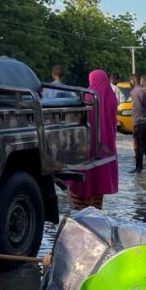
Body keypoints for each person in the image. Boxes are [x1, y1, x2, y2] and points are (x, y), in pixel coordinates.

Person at [64, 69, 118, 210]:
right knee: (98, 182)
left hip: (86, 145)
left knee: (83, 179)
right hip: (104, 147)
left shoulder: (87, 96)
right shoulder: (112, 98)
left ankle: (81, 218)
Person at [130, 75, 146, 173]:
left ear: (132, 81)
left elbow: (138, 108)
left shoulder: (133, 92)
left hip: (138, 122)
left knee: (138, 146)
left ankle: (138, 167)